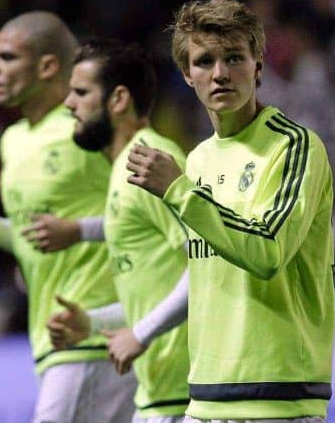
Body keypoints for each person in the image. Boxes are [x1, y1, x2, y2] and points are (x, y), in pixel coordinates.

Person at [126, 0, 335, 423]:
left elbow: (266, 252)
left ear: (258, 67)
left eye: (234, 57)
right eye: (204, 61)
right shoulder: (199, 158)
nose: (220, 73)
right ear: (187, 75)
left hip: (278, 399)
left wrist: (179, 191)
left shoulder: (294, 147)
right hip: (205, 398)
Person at [0, 12, 136, 423]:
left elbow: (148, 219)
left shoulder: (90, 130)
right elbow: (34, 238)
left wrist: (81, 231)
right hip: (50, 338)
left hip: (97, 331)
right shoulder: (12, 140)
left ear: (48, 66)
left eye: (7, 57)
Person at [47, 38, 191, 423]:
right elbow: (153, 290)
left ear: (118, 99)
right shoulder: (123, 170)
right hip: (159, 393)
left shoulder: (151, 163)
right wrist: (92, 324)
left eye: (80, 92)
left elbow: (208, 267)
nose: (68, 104)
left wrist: (140, 334)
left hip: (187, 394)